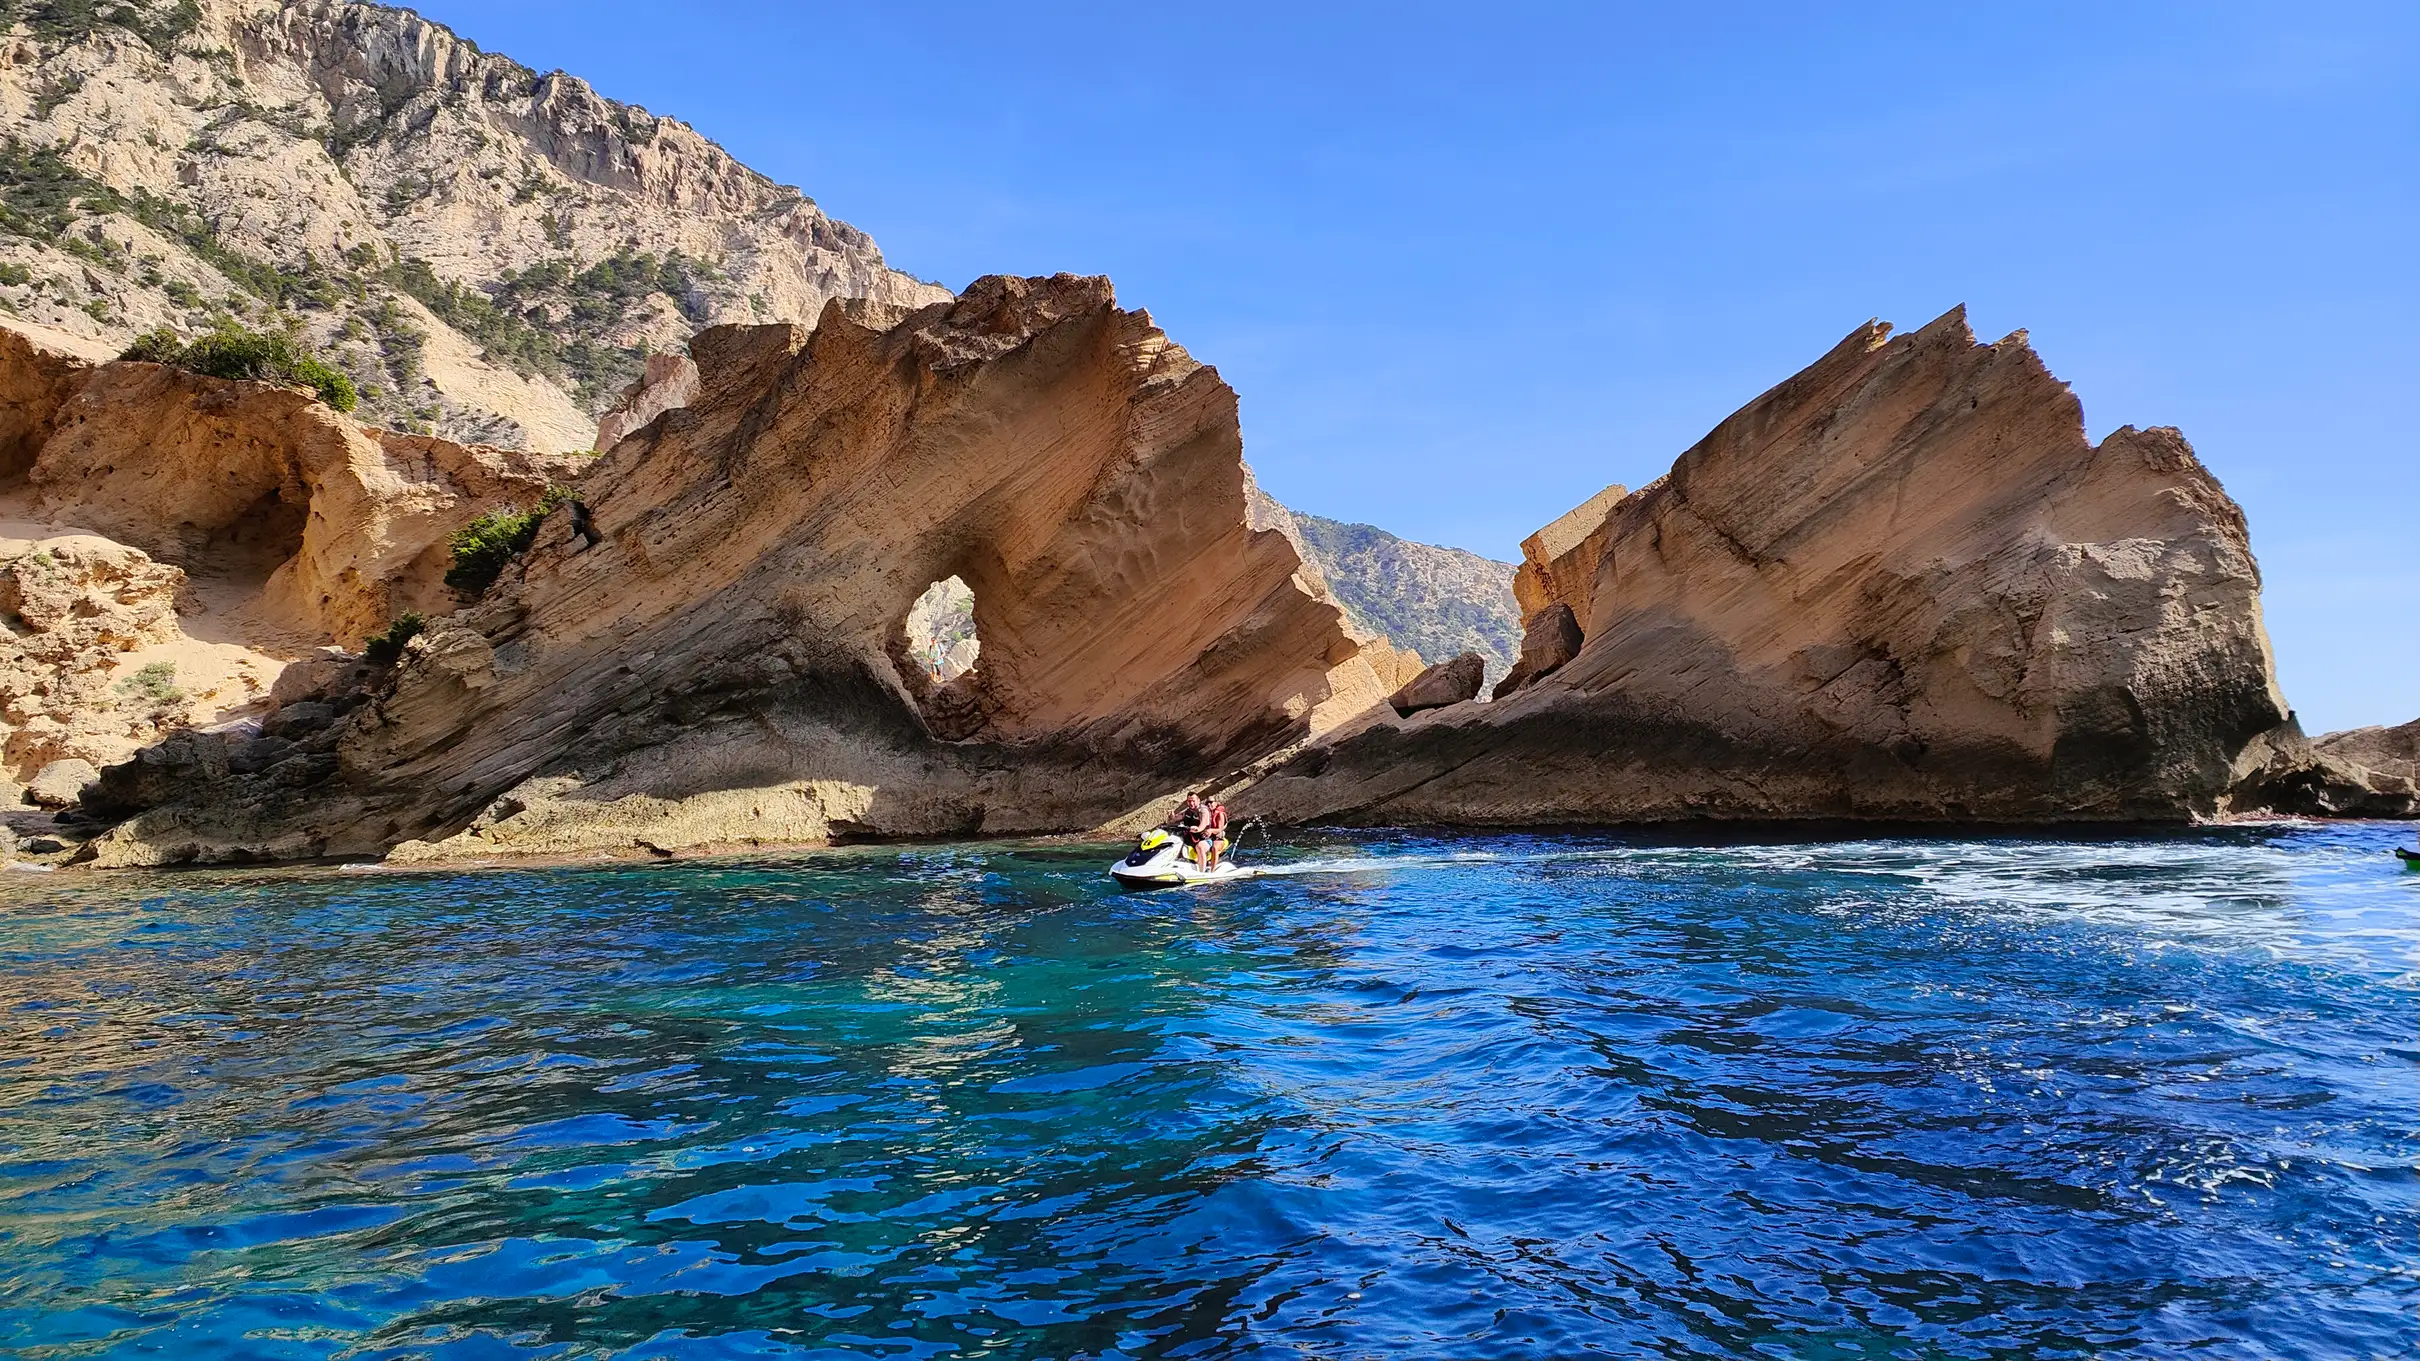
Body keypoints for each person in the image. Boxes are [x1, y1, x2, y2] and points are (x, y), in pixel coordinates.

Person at [1202, 799, 1230, 870]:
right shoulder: (1206, 814)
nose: (1209, 804)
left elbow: (1219, 829)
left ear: (1216, 803)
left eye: (1211, 802)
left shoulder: (1220, 814)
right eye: (1207, 803)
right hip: (1208, 837)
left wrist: (1211, 830)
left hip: (1218, 838)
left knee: (1214, 848)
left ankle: (1212, 870)